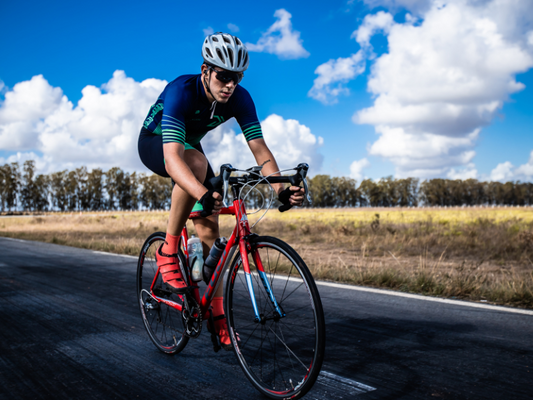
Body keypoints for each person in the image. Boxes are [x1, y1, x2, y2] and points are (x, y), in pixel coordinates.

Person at [138, 32, 304, 349]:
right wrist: (201, 193)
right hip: (156, 141)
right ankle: (168, 250)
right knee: (197, 166)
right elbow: (173, 160)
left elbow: (260, 149)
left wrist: (281, 190)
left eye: (236, 78)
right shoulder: (181, 91)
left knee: (211, 235)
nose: (230, 85)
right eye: (223, 76)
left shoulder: (240, 98)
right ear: (206, 71)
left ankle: (216, 316)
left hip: (190, 147)